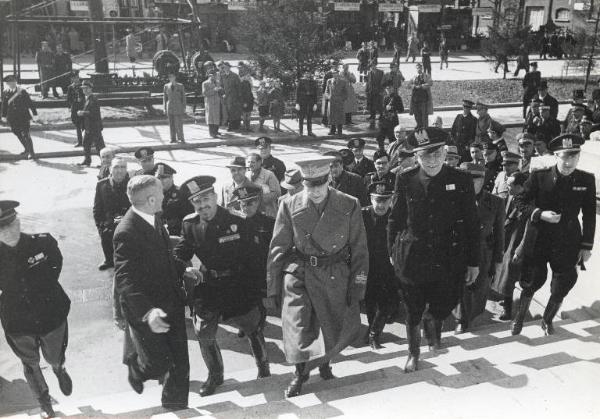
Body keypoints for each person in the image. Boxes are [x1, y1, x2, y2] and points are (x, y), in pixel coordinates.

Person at [267, 156, 368, 397]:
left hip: (334, 273)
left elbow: (360, 249)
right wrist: (272, 287)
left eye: (320, 183)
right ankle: (300, 375)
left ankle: (324, 363)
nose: (314, 190)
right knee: (298, 327)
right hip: (300, 272)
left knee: (329, 325)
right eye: (309, 184)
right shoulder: (288, 205)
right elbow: (278, 247)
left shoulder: (349, 204)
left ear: (329, 179)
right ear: (303, 183)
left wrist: (358, 285)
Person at [388, 127, 480, 372]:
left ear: (445, 152)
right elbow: (395, 220)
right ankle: (413, 352)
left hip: (447, 259)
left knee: (443, 304)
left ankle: (433, 320)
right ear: (416, 157)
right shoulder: (405, 179)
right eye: (425, 155)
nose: (432, 160)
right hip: (412, 259)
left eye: (437, 153)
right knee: (412, 310)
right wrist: (392, 252)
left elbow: (472, 223)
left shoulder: (460, 180)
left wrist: (474, 262)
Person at [173, 177, 270, 397]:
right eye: (196, 201)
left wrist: (258, 292)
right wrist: (184, 268)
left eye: (206, 198)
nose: (202, 205)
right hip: (210, 285)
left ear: (216, 197)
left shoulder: (239, 220)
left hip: (239, 285)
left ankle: (263, 367)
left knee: (252, 327)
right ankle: (215, 376)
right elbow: (181, 252)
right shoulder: (190, 224)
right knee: (203, 332)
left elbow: (255, 258)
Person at [113, 176, 189, 408]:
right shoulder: (126, 231)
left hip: (171, 300)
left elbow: (164, 257)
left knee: (180, 364)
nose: (165, 197)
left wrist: (185, 270)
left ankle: (175, 407)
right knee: (158, 364)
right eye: (161, 194)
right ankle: (136, 367)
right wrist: (148, 312)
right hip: (148, 308)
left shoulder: (153, 217)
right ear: (151, 199)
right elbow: (125, 280)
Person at [511, 134, 596, 336]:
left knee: (562, 284)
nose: (568, 163)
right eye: (563, 157)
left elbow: (590, 215)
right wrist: (540, 214)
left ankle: (547, 320)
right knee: (531, 281)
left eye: (573, 157)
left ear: (579, 157)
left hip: (567, 241)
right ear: (556, 156)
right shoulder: (539, 176)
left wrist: (586, 246)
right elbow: (520, 202)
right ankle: (519, 319)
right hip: (539, 239)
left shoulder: (586, 179)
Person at [0, 201, 72, 419]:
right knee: (30, 364)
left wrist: (45, 289)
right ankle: (44, 402)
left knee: (54, 356)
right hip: (18, 321)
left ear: (18, 222)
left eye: (10, 225)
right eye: (1, 229)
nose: (7, 232)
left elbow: (56, 264)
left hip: (50, 315)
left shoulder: (42, 243)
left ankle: (59, 369)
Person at [453, 163, 505, 334]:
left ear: (482, 180)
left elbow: (499, 234)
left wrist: (498, 261)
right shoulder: (452, 199)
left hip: (483, 253)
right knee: (460, 287)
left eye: (474, 179)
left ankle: (470, 316)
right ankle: (461, 319)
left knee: (478, 288)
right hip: (459, 250)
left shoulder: (495, 203)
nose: (469, 184)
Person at [491, 171, 535, 321]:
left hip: (518, 247)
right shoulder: (514, 197)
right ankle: (508, 304)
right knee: (506, 278)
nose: (508, 188)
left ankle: (509, 312)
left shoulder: (529, 203)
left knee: (509, 278)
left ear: (521, 186)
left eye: (511, 186)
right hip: (509, 242)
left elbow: (529, 229)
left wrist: (520, 250)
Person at [362, 181, 397, 349]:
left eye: (385, 200)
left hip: (389, 267)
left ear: (391, 200)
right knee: (370, 301)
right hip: (367, 266)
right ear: (371, 199)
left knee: (386, 303)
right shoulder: (362, 215)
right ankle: (371, 330)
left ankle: (374, 334)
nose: (381, 204)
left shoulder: (396, 216)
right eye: (378, 200)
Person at [93, 157, 131, 271]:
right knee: (106, 238)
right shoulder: (102, 185)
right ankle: (108, 260)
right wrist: (100, 226)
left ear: (126, 170)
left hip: (128, 222)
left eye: (123, 167)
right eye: (116, 167)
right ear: (110, 169)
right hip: (109, 224)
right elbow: (97, 208)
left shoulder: (132, 184)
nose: (119, 170)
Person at [1, 75, 37, 159]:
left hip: (23, 116)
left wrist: (35, 114)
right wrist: (3, 115)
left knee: (26, 134)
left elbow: (30, 103)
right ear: (7, 83)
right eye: (9, 82)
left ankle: (32, 153)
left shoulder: (22, 91)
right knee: (17, 133)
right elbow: (4, 105)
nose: (11, 84)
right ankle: (27, 149)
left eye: (13, 82)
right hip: (12, 118)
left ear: (15, 82)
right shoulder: (6, 92)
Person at [155, 163, 193, 237]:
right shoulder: (154, 194)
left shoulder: (182, 194)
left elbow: (189, 218)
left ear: (172, 178)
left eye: (164, 177)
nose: (161, 181)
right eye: (158, 178)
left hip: (176, 234)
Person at [77, 81, 105, 167]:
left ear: (90, 89)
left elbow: (94, 113)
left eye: (86, 88)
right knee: (86, 143)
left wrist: (83, 113)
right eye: (83, 88)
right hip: (89, 127)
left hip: (94, 126)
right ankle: (87, 160)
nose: (84, 90)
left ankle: (105, 163)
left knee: (99, 146)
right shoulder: (87, 98)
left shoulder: (93, 99)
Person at [246, 153, 281, 218]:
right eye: (248, 162)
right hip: (252, 213)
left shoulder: (269, 175)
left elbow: (277, 193)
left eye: (252, 162)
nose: (250, 164)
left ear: (259, 162)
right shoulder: (246, 175)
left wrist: (258, 199)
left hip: (268, 213)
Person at [377, 82, 404, 150]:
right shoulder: (385, 97)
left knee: (392, 140)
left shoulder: (397, 97)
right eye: (387, 88)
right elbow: (382, 109)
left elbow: (401, 109)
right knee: (380, 138)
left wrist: (392, 108)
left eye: (390, 88)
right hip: (383, 121)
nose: (388, 89)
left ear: (393, 88)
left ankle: (392, 154)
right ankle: (382, 152)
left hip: (392, 122)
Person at [163, 69, 186, 144]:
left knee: (179, 123)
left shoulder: (180, 86)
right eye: (169, 77)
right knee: (171, 124)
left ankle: (181, 138)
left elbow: (183, 97)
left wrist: (184, 107)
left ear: (175, 77)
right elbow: (164, 98)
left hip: (178, 106)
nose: (171, 78)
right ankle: (173, 138)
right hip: (170, 107)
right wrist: (164, 108)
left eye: (172, 77)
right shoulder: (166, 86)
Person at [325, 67, 349, 136]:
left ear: (338, 74)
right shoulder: (329, 81)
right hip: (332, 101)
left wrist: (342, 99)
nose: (335, 75)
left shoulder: (343, 82)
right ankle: (332, 130)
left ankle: (339, 131)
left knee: (339, 116)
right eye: (333, 73)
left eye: (336, 73)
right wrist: (329, 97)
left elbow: (346, 93)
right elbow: (326, 91)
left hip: (339, 102)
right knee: (331, 116)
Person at [219, 61, 242, 131]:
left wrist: (239, 96)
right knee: (228, 111)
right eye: (224, 68)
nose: (226, 69)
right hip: (226, 97)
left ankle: (235, 126)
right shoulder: (222, 76)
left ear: (229, 68)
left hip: (234, 96)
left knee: (235, 111)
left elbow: (239, 87)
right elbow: (221, 86)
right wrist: (223, 94)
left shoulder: (234, 76)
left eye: (227, 67)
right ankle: (231, 125)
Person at [409, 63, 432, 128]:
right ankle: (418, 125)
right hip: (415, 99)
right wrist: (414, 86)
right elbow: (408, 85)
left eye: (420, 68)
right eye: (417, 68)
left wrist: (422, 86)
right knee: (416, 114)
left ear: (422, 68)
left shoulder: (426, 76)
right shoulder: (414, 77)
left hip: (423, 99)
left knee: (424, 115)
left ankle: (425, 127)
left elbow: (430, 83)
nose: (419, 69)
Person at [295, 71, 318, 137]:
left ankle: (309, 132)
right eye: (306, 73)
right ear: (304, 74)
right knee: (301, 117)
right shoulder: (301, 81)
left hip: (310, 102)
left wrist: (315, 103)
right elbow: (297, 93)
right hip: (302, 102)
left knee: (309, 118)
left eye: (308, 73)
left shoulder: (313, 82)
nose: (307, 74)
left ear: (310, 74)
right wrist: (297, 103)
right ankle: (301, 132)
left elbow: (315, 94)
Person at [66, 71, 85, 147]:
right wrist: (69, 106)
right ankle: (80, 141)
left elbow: (86, 96)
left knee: (85, 125)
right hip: (75, 108)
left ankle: (87, 141)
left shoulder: (83, 86)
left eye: (76, 77)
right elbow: (68, 98)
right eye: (73, 78)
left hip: (82, 107)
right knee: (77, 126)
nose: (75, 79)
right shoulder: (70, 87)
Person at [202, 70, 222, 138]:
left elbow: (220, 91)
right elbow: (205, 93)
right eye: (213, 75)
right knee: (210, 118)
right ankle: (212, 133)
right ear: (210, 76)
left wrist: (220, 90)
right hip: (210, 102)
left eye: (215, 75)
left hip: (217, 102)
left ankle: (216, 131)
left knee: (217, 117)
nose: (215, 77)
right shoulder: (205, 83)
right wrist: (214, 90)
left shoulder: (217, 82)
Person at [365, 60, 384, 129]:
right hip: (371, 91)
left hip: (378, 91)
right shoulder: (369, 72)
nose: (372, 67)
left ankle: (381, 116)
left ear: (376, 65)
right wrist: (367, 90)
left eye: (374, 65)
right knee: (371, 104)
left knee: (379, 104)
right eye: (371, 66)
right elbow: (368, 82)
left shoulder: (380, 72)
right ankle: (372, 116)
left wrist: (381, 91)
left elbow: (382, 82)